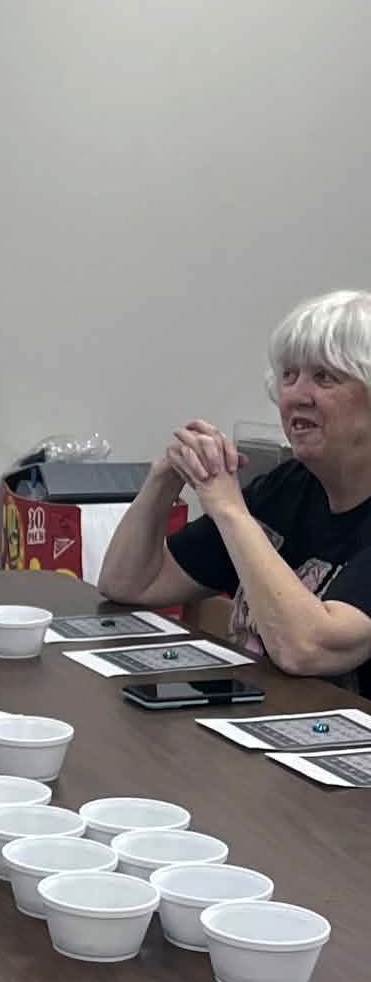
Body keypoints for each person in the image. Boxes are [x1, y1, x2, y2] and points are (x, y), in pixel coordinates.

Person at [100, 289, 371, 692]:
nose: (296, 395)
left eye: (325, 377)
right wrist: (164, 478)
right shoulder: (288, 486)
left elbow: (308, 650)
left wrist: (228, 508)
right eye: (288, 376)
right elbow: (129, 584)